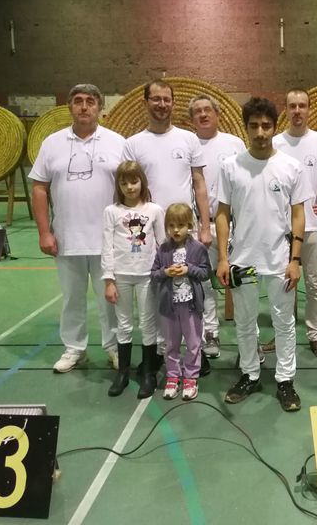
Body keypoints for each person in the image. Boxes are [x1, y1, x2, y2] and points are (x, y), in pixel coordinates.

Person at [216, 97, 311, 412]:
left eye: (266, 126)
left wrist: (295, 260)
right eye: (254, 126)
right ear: (245, 128)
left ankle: (285, 380)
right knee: (244, 321)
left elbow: (298, 215)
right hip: (243, 262)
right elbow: (222, 214)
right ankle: (250, 373)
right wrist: (223, 258)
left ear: (274, 127)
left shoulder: (291, 167)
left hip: (279, 261)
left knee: (284, 322)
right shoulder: (230, 167)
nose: (260, 132)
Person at [29, 83, 124, 373]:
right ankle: (74, 348)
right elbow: (39, 188)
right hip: (66, 237)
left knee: (110, 299)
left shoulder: (118, 143)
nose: (84, 106)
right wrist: (44, 232)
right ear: (70, 106)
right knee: (71, 298)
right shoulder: (52, 143)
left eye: (91, 101)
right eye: (78, 101)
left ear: (100, 107)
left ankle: (114, 347)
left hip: (108, 239)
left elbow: (131, 188)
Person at [121, 79, 212, 369]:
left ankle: (197, 351)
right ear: (145, 102)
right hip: (150, 233)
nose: (162, 104)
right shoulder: (133, 144)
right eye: (156, 99)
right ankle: (162, 351)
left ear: (173, 102)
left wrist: (205, 226)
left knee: (194, 290)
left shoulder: (188, 139)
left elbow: (199, 183)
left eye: (166, 99)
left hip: (185, 230)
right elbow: (128, 189)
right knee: (158, 291)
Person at [262, 88, 317, 359]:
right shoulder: (275, 143)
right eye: (292, 106)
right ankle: (284, 332)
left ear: (309, 109)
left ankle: (315, 334)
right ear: (286, 109)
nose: (297, 111)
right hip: (282, 229)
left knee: (314, 283)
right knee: (284, 283)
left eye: (302, 105)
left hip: (312, 226)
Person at [101, 161, 165, 398]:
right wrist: (109, 280)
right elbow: (107, 247)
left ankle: (148, 372)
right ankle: (123, 373)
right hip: (121, 277)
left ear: (142, 182)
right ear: (118, 185)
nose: (130, 187)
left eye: (134, 181)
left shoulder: (154, 210)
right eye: (124, 183)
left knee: (148, 324)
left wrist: (164, 274)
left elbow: (163, 245)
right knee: (124, 325)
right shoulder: (111, 212)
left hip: (147, 277)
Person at [189, 94, 246, 359]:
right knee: (204, 283)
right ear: (192, 118)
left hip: (234, 225)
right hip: (200, 226)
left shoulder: (234, 144)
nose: (203, 115)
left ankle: (250, 335)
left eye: (207, 110)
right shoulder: (188, 144)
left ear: (217, 113)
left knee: (242, 281)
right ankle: (210, 332)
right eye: (197, 111)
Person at [151, 203, 211, 401]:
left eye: (180, 225)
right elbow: (154, 274)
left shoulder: (198, 248)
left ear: (189, 226)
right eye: (171, 226)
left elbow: (205, 272)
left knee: (193, 343)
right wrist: (166, 272)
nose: (176, 230)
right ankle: (173, 376)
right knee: (171, 343)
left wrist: (188, 269)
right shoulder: (163, 249)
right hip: (170, 307)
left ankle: (191, 377)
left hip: (191, 306)